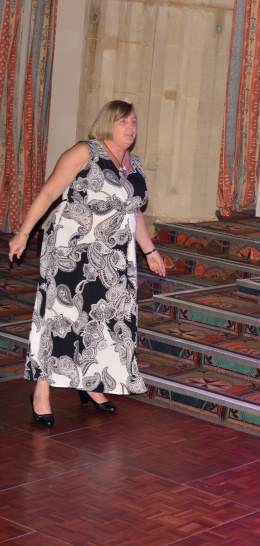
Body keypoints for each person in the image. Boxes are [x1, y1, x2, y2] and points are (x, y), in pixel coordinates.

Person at [7, 100, 166, 427]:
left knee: (102, 321)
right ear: (108, 123)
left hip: (113, 258)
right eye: (123, 122)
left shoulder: (133, 163)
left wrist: (150, 251)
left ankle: (91, 382)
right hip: (71, 251)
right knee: (60, 319)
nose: (130, 128)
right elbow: (50, 192)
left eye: (134, 122)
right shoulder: (85, 152)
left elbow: (134, 211)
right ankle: (41, 392)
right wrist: (23, 233)